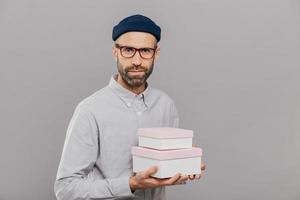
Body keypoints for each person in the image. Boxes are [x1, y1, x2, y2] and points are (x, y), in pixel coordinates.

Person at [54, 14, 206, 200]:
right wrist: (131, 184)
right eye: (128, 50)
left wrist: (184, 165)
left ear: (156, 53)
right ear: (115, 51)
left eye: (145, 51)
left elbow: (163, 174)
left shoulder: (166, 105)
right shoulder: (90, 110)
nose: (136, 61)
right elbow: (66, 189)